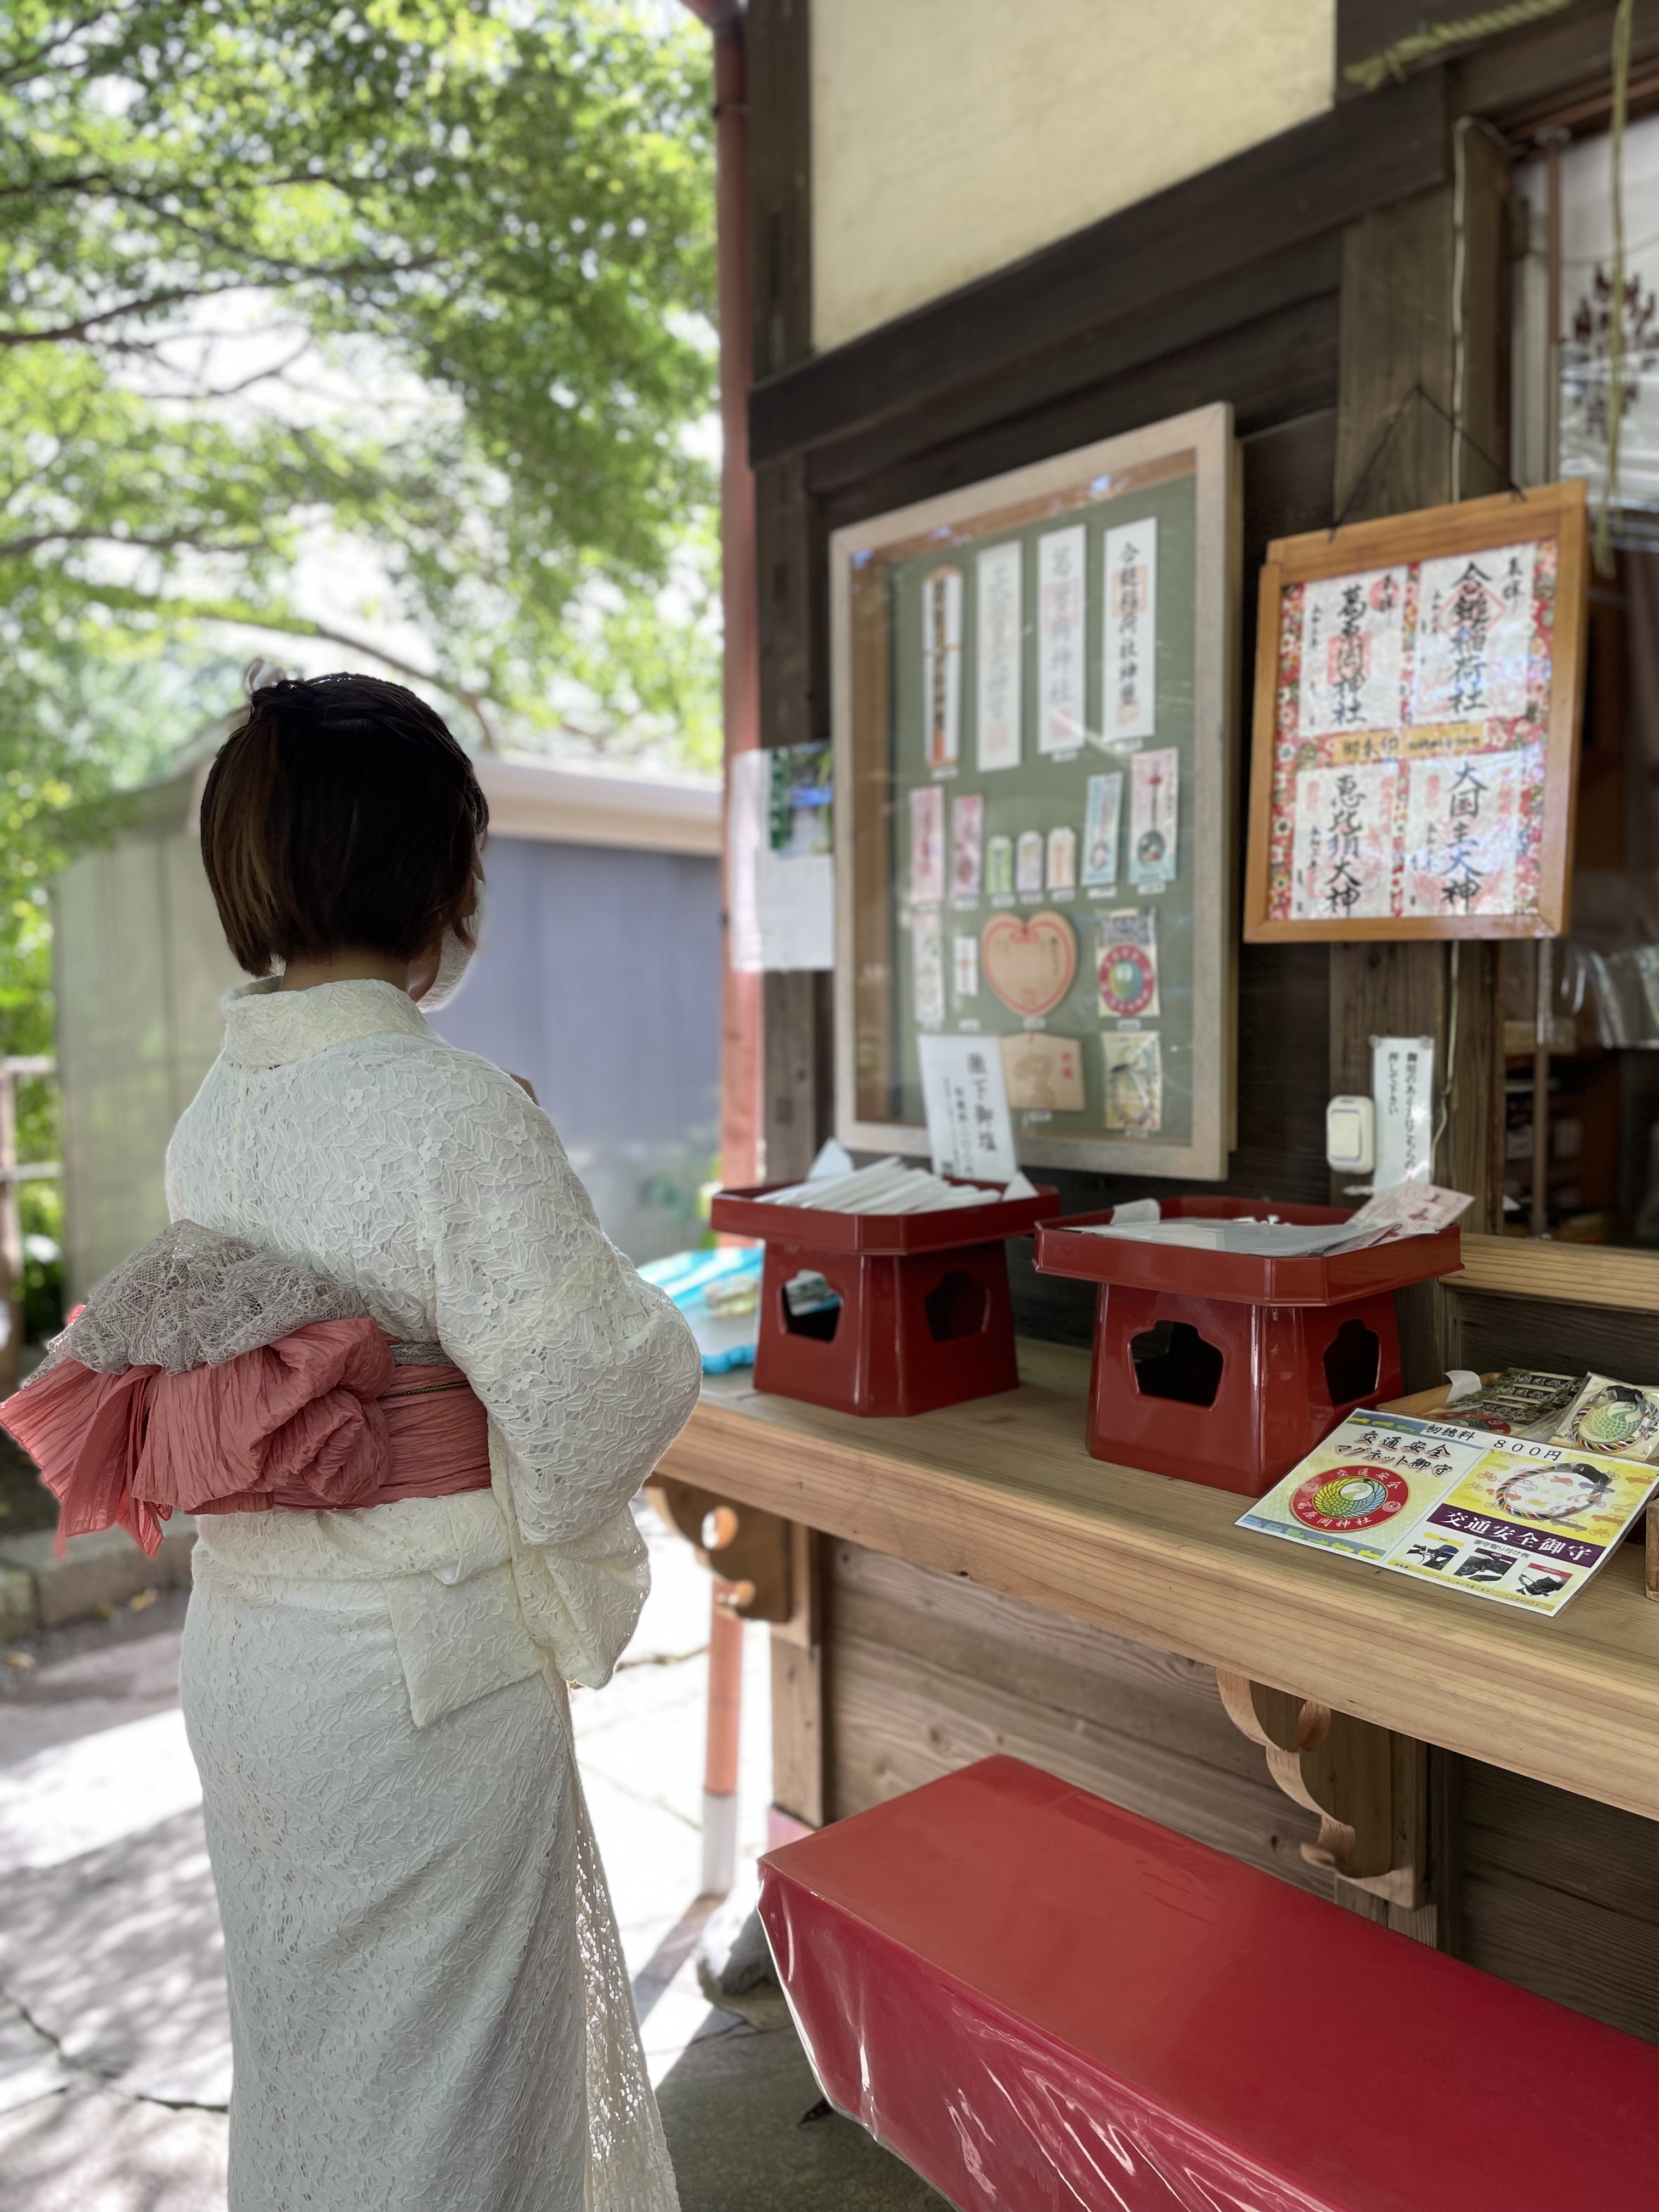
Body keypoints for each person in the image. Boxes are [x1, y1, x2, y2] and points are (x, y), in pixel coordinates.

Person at [165, 673, 701, 2209]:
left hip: (255, 1657)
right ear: (444, 876)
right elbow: (599, 1390)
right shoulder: (451, 1113)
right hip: (417, 1684)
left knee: (316, 2072)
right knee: (454, 2108)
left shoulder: (219, 1111)